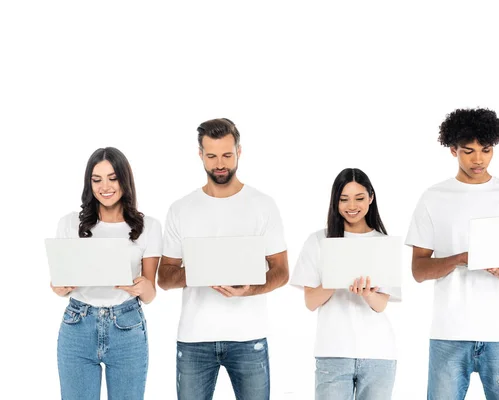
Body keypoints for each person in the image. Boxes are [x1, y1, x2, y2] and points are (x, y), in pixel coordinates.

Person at [157, 118, 289, 400]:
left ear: (239, 151)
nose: (220, 163)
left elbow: (281, 271)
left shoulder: (263, 205)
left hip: (249, 337)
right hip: (194, 340)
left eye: (227, 155)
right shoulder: (181, 209)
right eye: (212, 155)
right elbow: (165, 278)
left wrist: (250, 289)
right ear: (200, 154)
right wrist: (201, 271)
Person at [405, 108, 499, 400]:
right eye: (468, 151)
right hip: (449, 332)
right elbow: (419, 270)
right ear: (452, 150)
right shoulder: (433, 198)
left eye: (486, 150)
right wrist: (460, 259)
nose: (478, 159)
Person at [52, 147, 162, 400]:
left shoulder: (149, 227)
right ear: (88, 183)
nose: (105, 187)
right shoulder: (70, 223)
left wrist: (139, 286)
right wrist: (59, 287)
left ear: (125, 179)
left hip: (126, 324)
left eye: (113, 178)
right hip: (78, 324)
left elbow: (150, 293)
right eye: (97, 179)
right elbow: (58, 282)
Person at [290, 168, 400, 400]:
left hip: (378, 354)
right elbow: (310, 302)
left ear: (371, 198)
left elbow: (381, 305)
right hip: (333, 352)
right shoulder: (319, 241)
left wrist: (368, 294)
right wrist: (336, 279)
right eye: (344, 199)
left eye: (359, 198)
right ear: (335, 201)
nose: (352, 206)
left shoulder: (384, 244)